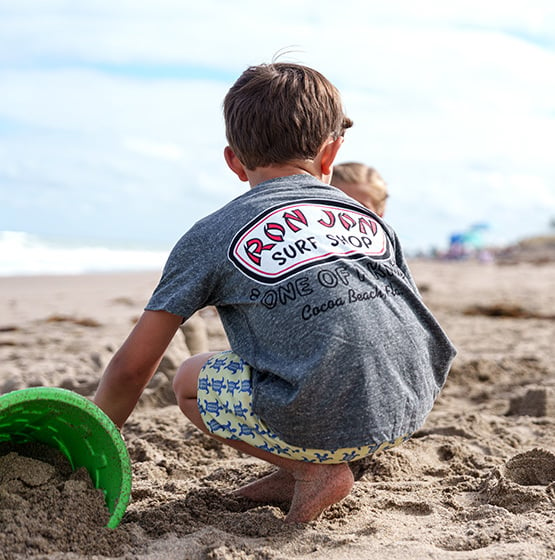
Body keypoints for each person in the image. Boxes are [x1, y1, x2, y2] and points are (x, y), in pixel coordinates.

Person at [94, 62, 456, 523]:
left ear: (233, 161)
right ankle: (300, 469)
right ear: (331, 154)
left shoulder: (213, 233)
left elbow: (132, 368)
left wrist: (96, 431)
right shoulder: (368, 219)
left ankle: (311, 469)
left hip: (329, 419)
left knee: (187, 381)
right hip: (408, 404)